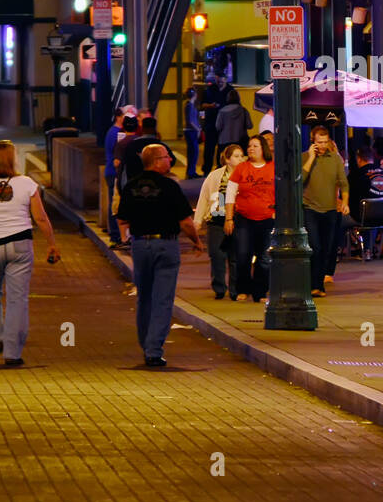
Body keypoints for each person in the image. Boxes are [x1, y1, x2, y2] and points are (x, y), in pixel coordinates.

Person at [0, 140, 60, 366]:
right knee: (17, 299)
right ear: (13, 159)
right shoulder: (27, 183)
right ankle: (12, 354)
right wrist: (52, 243)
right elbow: (41, 217)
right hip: (20, 245)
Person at [116, 142, 203, 365]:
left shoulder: (131, 186)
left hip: (140, 245)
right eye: (166, 157)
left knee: (144, 297)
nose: (170, 160)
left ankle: (145, 343)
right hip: (165, 245)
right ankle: (154, 350)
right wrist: (196, 241)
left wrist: (127, 239)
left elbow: (122, 219)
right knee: (163, 299)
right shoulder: (169, 187)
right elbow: (185, 221)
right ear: (156, 161)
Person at [225, 134, 275, 302]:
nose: (251, 149)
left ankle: (260, 292)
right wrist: (229, 218)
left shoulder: (273, 167)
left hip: (267, 219)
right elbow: (230, 195)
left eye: (255, 146)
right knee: (243, 255)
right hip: (244, 219)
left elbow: (282, 193)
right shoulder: (241, 168)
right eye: (249, 146)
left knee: (265, 258)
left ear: (263, 149)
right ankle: (243, 289)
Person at [302, 126, 350, 297]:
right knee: (314, 246)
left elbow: (343, 182)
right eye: (319, 142)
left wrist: (345, 202)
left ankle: (318, 285)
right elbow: (300, 180)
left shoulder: (335, 159)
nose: (322, 145)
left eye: (325, 142)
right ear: (312, 142)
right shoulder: (305, 158)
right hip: (310, 208)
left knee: (326, 248)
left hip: (330, 209)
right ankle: (313, 284)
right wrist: (311, 158)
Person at [194, 143, 243, 300]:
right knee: (217, 255)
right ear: (227, 159)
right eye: (236, 156)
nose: (240, 159)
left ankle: (236, 290)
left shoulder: (246, 174)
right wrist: (198, 221)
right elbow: (204, 198)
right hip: (216, 220)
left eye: (242, 156)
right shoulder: (215, 176)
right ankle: (219, 287)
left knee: (236, 256)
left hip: (238, 221)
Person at [104, 106, 135, 247]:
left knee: (117, 205)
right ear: (119, 117)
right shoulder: (115, 133)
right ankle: (115, 236)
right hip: (113, 173)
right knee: (115, 205)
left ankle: (118, 235)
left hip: (115, 173)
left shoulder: (117, 132)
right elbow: (115, 157)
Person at [120, 116, 162, 185]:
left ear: (142, 128)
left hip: (134, 184)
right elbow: (172, 160)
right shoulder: (160, 145)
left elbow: (124, 167)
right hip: (156, 184)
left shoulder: (132, 144)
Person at [200, 75, 231, 170]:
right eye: (218, 82)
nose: (220, 83)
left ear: (226, 80)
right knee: (209, 148)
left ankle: (220, 167)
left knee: (222, 148)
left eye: (222, 81)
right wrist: (210, 105)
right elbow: (202, 105)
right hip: (211, 124)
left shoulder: (230, 90)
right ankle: (207, 168)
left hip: (224, 126)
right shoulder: (210, 90)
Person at [215, 89, 251, 153]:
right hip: (240, 141)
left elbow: (218, 126)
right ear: (239, 98)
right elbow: (249, 126)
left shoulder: (222, 111)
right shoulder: (243, 110)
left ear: (227, 98)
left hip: (224, 141)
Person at [183, 87, 202, 178]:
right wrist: (198, 129)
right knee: (194, 152)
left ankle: (191, 171)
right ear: (195, 95)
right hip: (191, 131)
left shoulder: (188, 105)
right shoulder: (190, 106)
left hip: (190, 131)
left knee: (192, 152)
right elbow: (190, 120)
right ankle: (191, 172)